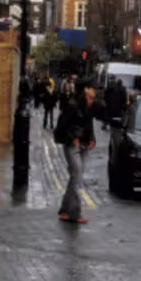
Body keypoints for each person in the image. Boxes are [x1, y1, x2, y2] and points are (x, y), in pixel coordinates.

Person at [54, 82, 97, 224]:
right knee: (77, 176)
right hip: (72, 145)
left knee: (75, 176)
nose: (92, 100)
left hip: (84, 145)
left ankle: (65, 210)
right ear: (84, 93)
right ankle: (75, 213)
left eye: (93, 97)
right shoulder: (73, 105)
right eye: (90, 97)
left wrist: (92, 139)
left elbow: (89, 124)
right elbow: (64, 125)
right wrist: (73, 139)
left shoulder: (90, 107)